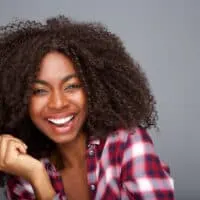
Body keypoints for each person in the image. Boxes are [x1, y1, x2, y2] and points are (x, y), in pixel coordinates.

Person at [0, 16, 174, 200]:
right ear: (19, 99)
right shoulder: (23, 174)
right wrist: (36, 175)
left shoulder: (127, 144)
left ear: (93, 89)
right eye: (40, 91)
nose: (58, 103)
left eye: (72, 86)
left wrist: (41, 186)